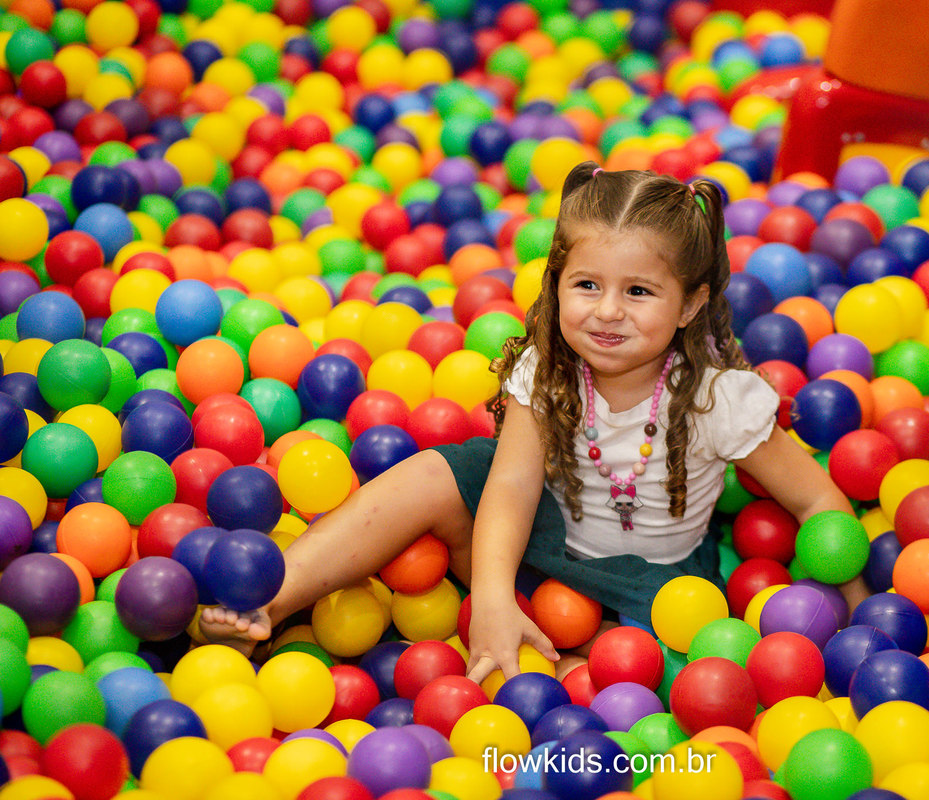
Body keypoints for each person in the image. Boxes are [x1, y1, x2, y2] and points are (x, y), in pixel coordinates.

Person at [201, 161, 857, 683]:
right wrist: (491, 595)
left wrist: (852, 608)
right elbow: (512, 487)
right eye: (587, 285)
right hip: (532, 548)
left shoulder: (719, 399)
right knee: (438, 471)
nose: (607, 311)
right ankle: (269, 600)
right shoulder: (547, 371)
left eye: (638, 291)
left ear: (689, 305)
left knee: (634, 669)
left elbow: (817, 501)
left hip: (649, 589)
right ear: (556, 283)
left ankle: (568, 656)